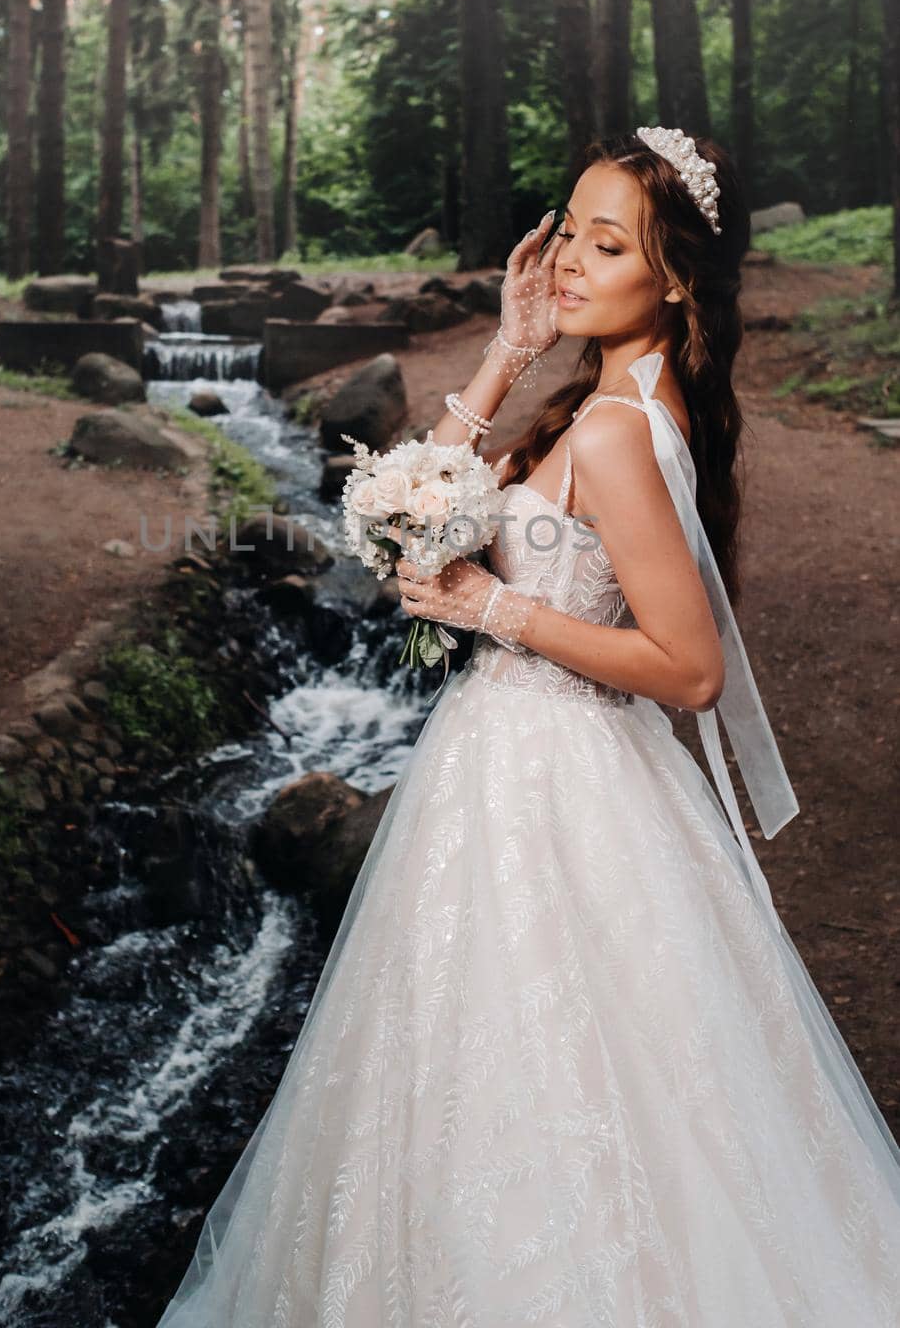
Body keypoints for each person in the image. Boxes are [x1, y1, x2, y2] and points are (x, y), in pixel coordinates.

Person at [154, 128, 900, 1327]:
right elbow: (406, 519)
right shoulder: (597, 400)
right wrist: (505, 353)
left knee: (536, 1080)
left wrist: (493, 606)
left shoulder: (612, 432)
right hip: (506, 760)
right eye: (567, 231)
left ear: (672, 280)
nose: (568, 260)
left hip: (558, 778)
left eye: (608, 245)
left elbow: (690, 668)